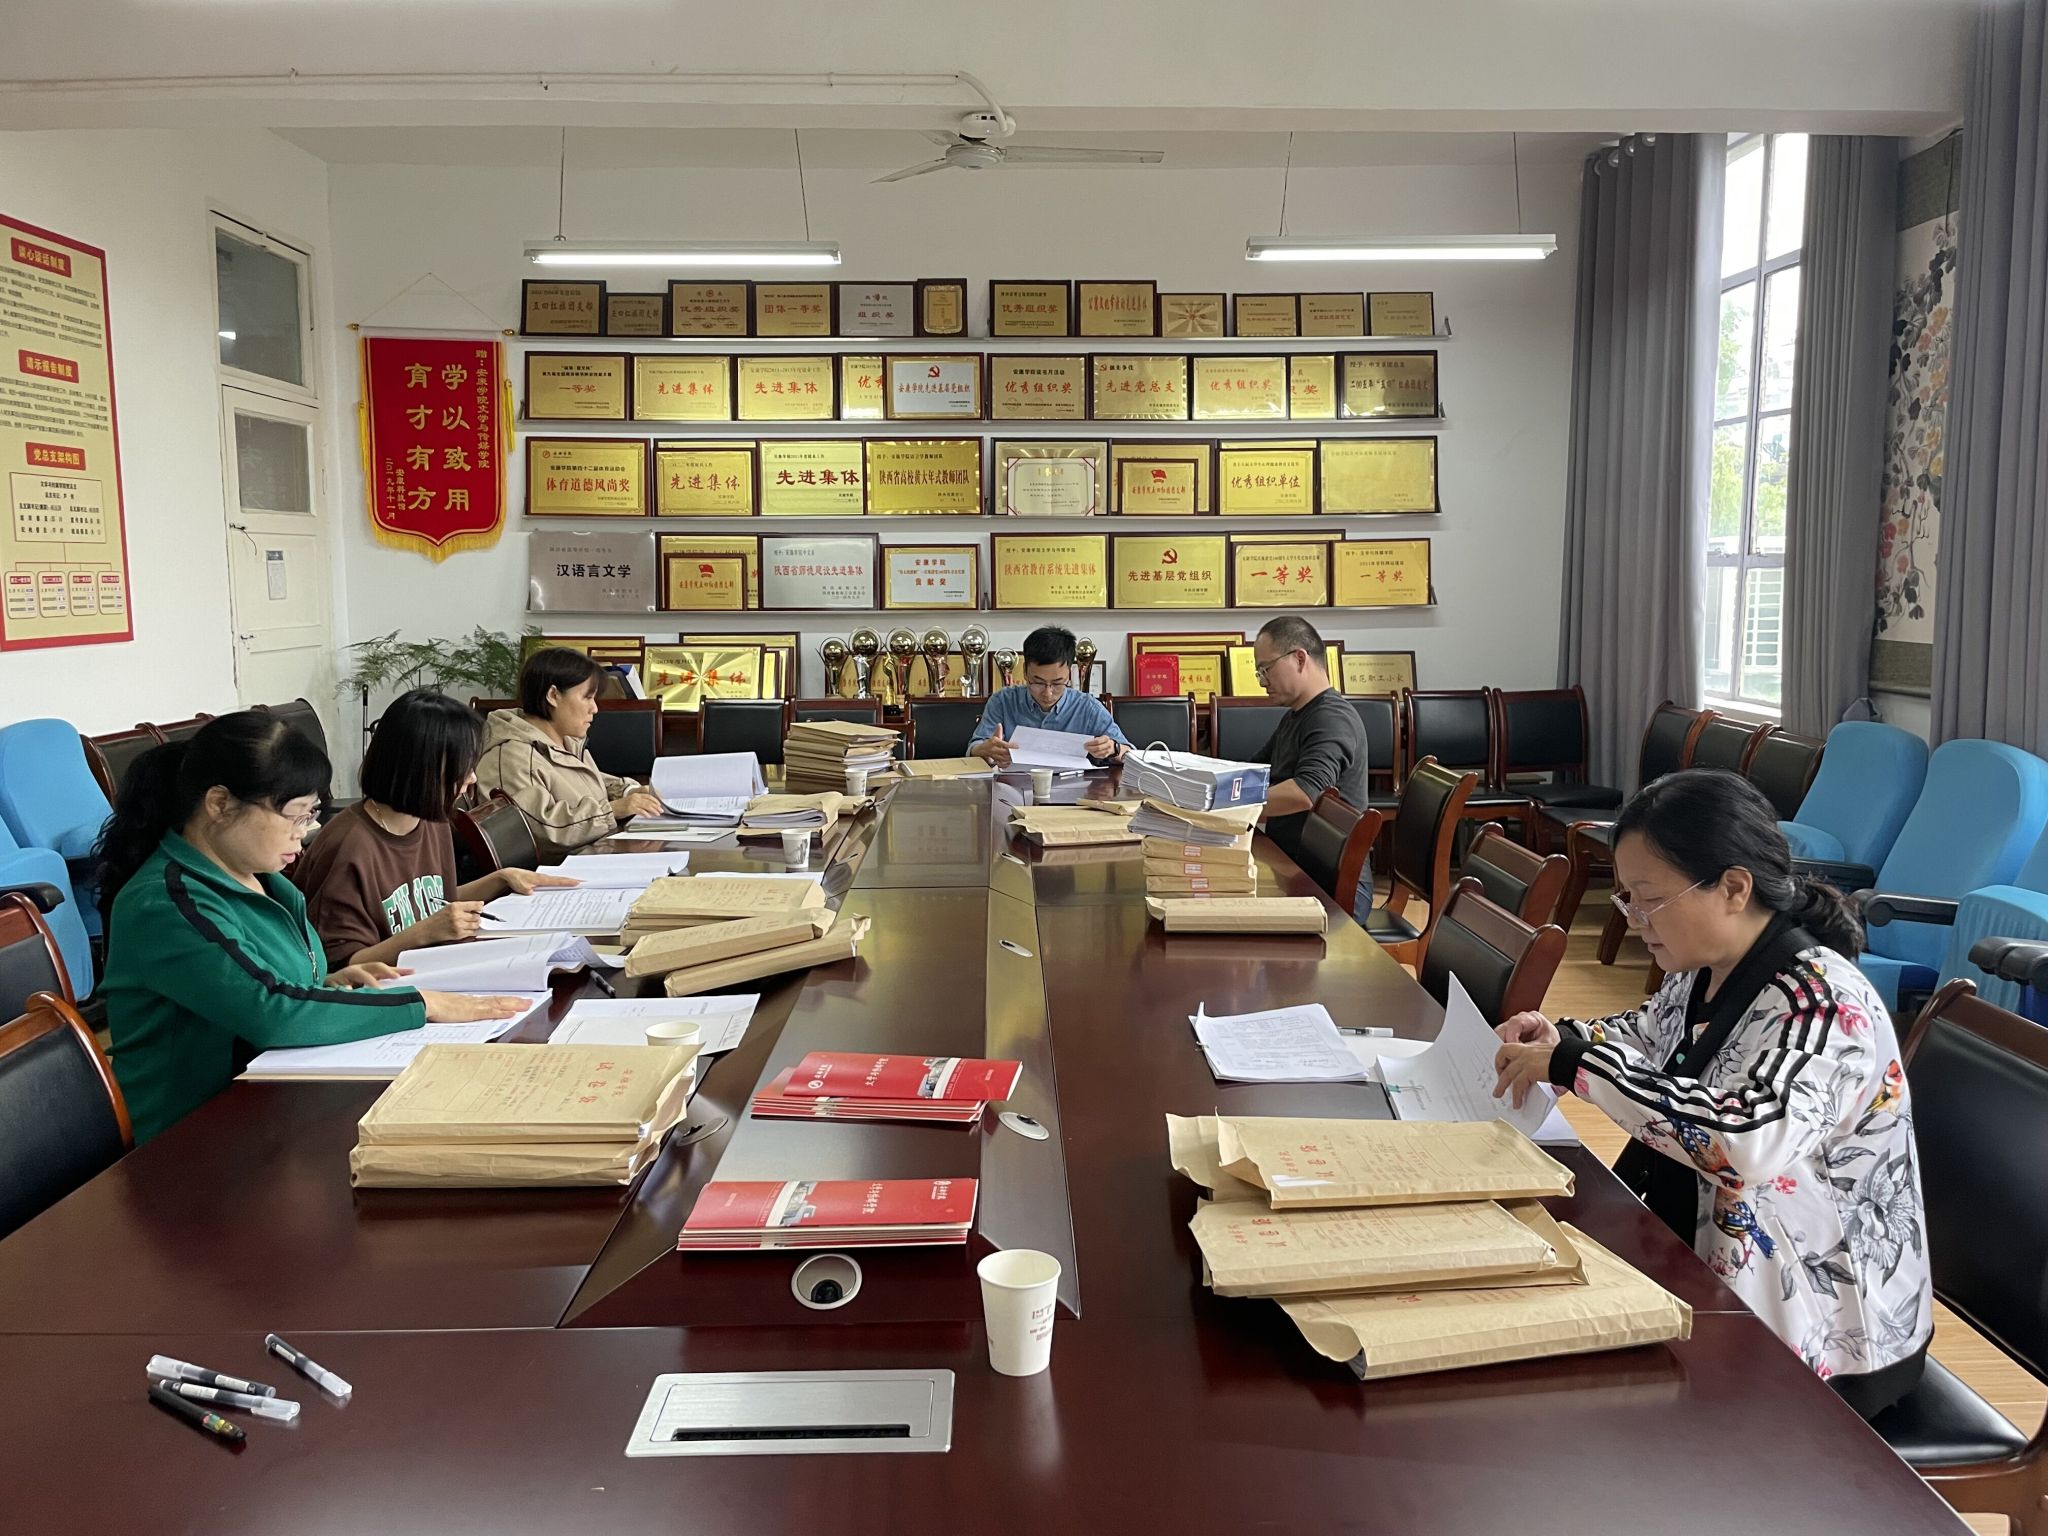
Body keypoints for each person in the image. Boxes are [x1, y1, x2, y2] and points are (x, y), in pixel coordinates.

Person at [1492, 769, 1932, 1417]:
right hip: (1713, 1264)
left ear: (1733, 887)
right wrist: (1563, 1036)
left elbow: (1749, 1141)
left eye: (1648, 899)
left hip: (1821, 1327)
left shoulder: (1823, 1004)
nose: (1635, 920)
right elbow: (1651, 1035)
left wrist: (1578, 1064)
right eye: (1626, 899)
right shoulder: (1705, 968)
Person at [92, 711, 529, 1145]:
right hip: (188, 1138)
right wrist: (422, 1003)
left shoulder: (264, 881)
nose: (305, 833)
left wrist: (329, 984)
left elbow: (272, 986)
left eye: (312, 814)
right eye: (295, 816)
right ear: (220, 804)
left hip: (272, 1103)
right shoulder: (167, 902)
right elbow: (270, 1009)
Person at [292, 688, 581, 969]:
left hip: (433, 972)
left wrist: (502, 879)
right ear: (423, 769)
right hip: (390, 990)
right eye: (462, 768)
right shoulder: (348, 848)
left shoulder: (431, 818)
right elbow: (340, 968)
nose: (472, 778)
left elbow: (431, 901)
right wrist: (423, 934)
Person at [475, 646, 662, 859]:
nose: (595, 708)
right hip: (555, 871)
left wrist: (628, 792)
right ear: (553, 695)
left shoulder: (566, 741)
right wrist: (613, 810)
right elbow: (541, 829)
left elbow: (588, 783)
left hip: (592, 856)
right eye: (587, 697)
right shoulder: (512, 756)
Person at [1246, 615, 1367, 867]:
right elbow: (1255, 770)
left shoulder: (1332, 718)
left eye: (1266, 669)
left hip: (1322, 876)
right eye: (1259, 673)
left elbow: (1305, 792)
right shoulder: (1296, 716)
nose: (1263, 682)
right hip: (1290, 860)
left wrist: (1230, 803)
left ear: (1299, 659)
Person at [968, 625, 1131, 767]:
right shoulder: (1002, 701)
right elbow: (974, 747)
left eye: (1057, 683)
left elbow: (1130, 754)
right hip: (1014, 787)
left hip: (1074, 788)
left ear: (1069, 673)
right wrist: (986, 751)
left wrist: (1113, 748)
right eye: (1038, 682)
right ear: (1025, 671)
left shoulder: (1087, 707)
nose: (1047, 693)